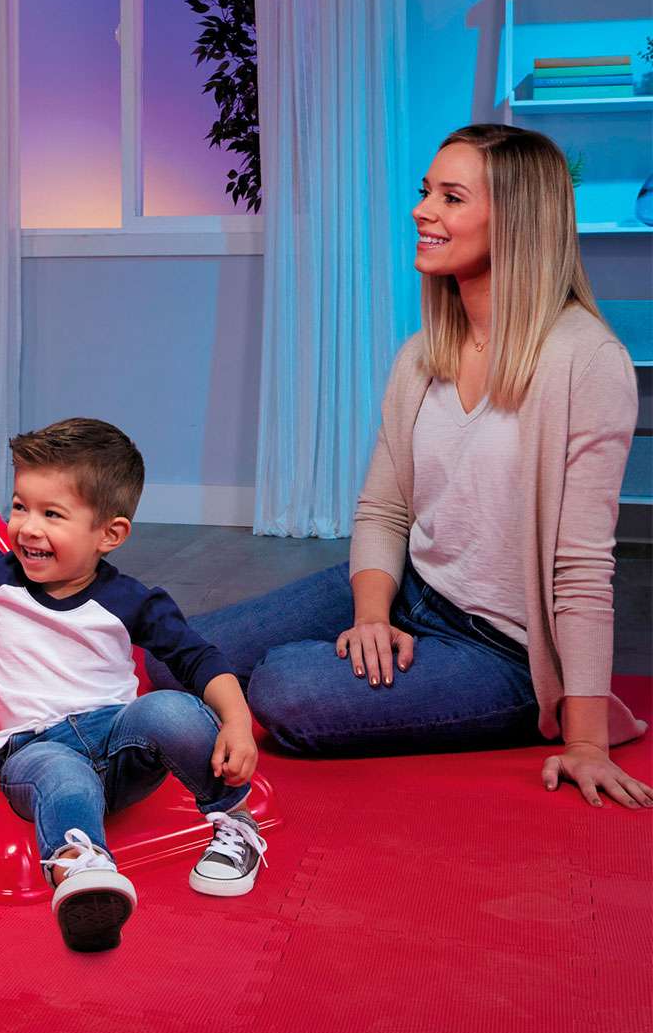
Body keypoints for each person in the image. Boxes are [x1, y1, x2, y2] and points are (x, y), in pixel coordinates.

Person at [148, 124, 652, 811]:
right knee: (173, 656)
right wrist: (371, 616)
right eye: (426, 192)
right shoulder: (421, 355)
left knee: (284, 688)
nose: (422, 211)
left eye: (451, 197)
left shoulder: (587, 363)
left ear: (517, 220)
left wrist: (586, 739)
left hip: (501, 652)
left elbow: (583, 565)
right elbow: (384, 510)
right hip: (413, 589)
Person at [0, 418, 268, 952]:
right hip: (33, 749)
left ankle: (234, 822)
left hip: (119, 745)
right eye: (20, 506)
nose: (27, 528)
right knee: (64, 777)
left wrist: (236, 722)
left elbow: (199, 658)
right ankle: (84, 872)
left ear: (109, 535)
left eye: (52, 514)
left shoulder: (131, 601)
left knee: (170, 708)